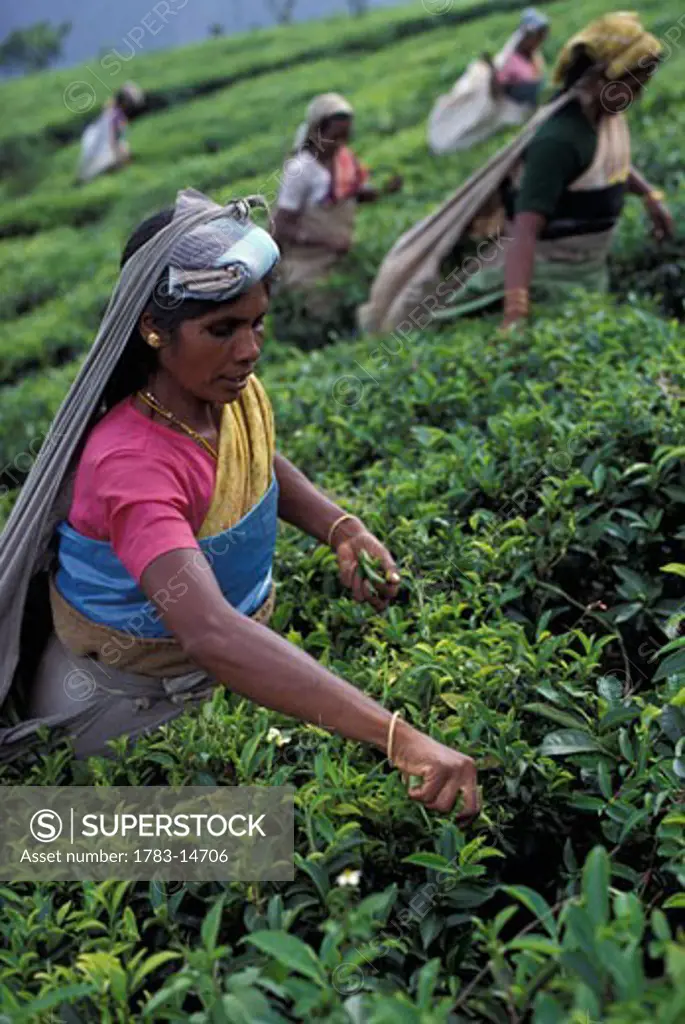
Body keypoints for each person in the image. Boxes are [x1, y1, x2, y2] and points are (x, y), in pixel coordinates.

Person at [0, 188, 478, 820]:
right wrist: (398, 736)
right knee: (248, 848)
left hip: (227, 677)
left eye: (256, 323)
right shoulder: (130, 463)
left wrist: (339, 525)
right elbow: (208, 631)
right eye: (221, 329)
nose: (249, 350)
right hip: (131, 711)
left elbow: (251, 461)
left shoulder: (218, 390)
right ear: (152, 330)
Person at [359, 12, 672, 336]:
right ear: (600, 78)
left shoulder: (602, 119)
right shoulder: (559, 141)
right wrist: (515, 312)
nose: (637, 95)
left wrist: (650, 194)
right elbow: (523, 232)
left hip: (585, 272)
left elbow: (606, 161)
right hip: (544, 277)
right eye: (632, 85)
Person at [273, 93, 403, 299]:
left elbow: (348, 194)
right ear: (317, 132)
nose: (340, 143)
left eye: (345, 136)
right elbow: (281, 225)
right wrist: (326, 240)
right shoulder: (301, 169)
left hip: (338, 253)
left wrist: (384, 191)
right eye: (335, 136)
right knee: (316, 301)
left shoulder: (342, 159)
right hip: (306, 259)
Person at [427, 8, 549, 155]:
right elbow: (497, 92)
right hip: (514, 101)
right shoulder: (511, 60)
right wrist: (492, 71)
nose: (540, 40)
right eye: (537, 36)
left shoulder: (533, 55)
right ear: (527, 36)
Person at [77, 82, 145, 184]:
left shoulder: (111, 109)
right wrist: (122, 160)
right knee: (123, 153)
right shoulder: (117, 116)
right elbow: (113, 141)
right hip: (102, 145)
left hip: (92, 138)